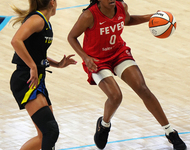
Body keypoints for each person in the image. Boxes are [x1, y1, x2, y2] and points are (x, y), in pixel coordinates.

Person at [67, 0, 187, 150]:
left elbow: (128, 20)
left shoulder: (121, 6)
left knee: (142, 88)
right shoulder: (88, 15)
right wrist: (85, 57)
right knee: (116, 96)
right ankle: (104, 125)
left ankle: (170, 132)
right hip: (97, 60)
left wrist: (149, 17)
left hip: (118, 53)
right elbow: (71, 37)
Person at [10, 0, 77, 150]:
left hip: (37, 80)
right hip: (26, 80)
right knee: (51, 131)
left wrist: (58, 64)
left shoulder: (45, 22)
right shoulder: (37, 20)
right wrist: (32, 66)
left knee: (44, 136)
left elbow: (36, 53)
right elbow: (16, 41)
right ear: (52, 2)